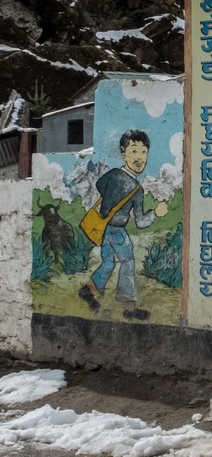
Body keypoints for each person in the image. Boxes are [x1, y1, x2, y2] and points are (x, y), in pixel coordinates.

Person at [79, 129, 168, 321]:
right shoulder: (136, 190)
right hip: (116, 230)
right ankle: (129, 307)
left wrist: (108, 203)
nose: (139, 157)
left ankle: (89, 290)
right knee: (128, 262)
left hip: (104, 228)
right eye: (134, 151)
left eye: (144, 152)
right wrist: (156, 213)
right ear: (123, 152)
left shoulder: (112, 175)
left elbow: (99, 186)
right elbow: (141, 222)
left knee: (109, 262)